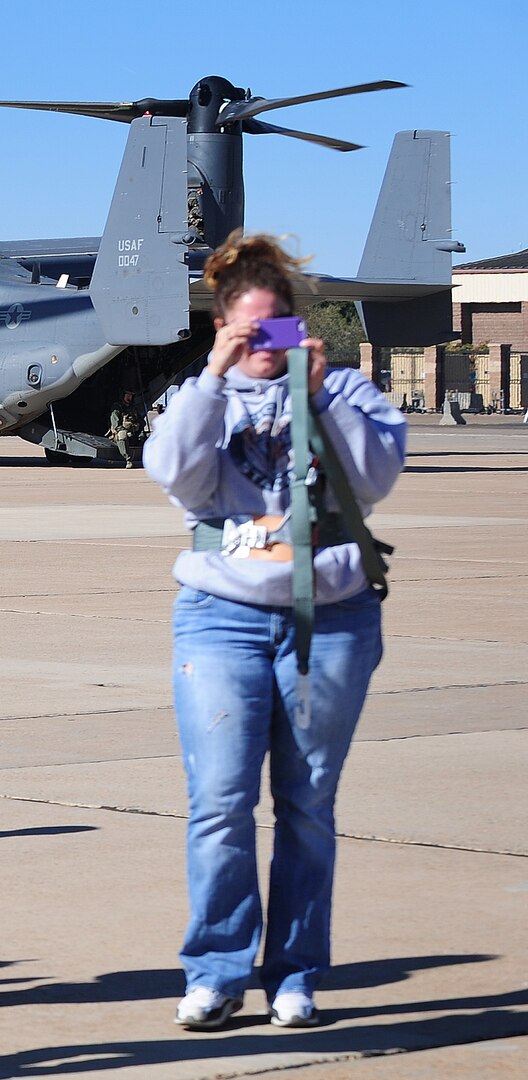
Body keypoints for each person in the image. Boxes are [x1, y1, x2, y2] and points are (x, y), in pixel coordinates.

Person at [144, 232, 405, 1032]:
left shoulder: (345, 393)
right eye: (245, 332)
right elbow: (174, 474)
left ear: (300, 327)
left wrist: (320, 396)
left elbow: (374, 480)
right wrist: (215, 376)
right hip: (221, 617)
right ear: (222, 329)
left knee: (307, 805)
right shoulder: (201, 395)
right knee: (220, 802)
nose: (264, 347)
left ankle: (294, 975)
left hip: (332, 619)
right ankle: (216, 971)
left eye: (276, 331)